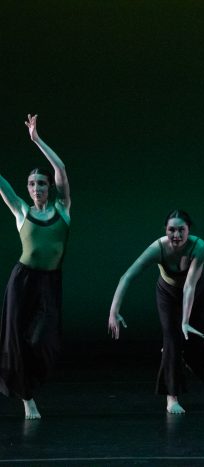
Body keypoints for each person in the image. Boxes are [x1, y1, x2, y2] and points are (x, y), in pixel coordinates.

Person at [0, 115, 71, 419]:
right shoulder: (20, 211)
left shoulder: (62, 208)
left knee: (44, 339)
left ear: (48, 187)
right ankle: (27, 398)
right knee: (15, 336)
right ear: (27, 189)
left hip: (49, 282)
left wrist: (36, 139)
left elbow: (61, 169)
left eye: (41, 183)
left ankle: (29, 385)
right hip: (22, 280)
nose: (37, 187)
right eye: (31, 184)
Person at [108, 210, 204, 414]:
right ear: (166, 230)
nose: (177, 235)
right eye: (172, 230)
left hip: (196, 292)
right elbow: (127, 276)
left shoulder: (199, 247)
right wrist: (114, 311)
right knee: (171, 340)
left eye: (182, 230)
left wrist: (185, 321)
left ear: (189, 230)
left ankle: (176, 352)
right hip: (167, 294)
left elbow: (189, 286)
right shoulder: (158, 248)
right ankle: (172, 398)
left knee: (196, 343)